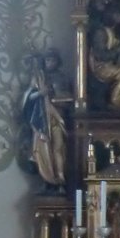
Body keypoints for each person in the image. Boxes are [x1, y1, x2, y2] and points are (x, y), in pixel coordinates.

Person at [19, 49, 70, 189]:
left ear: (57, 62)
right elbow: (28, 97)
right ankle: (47, 178)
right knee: (43, 149)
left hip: (57, 117)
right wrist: (41, 93)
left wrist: (57, 98)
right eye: (47, 60)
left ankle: (61, 177)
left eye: (53, 60)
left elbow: (68, 98)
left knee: (58, 148)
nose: (50, 63)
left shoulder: (62, 78)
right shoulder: (39, 78)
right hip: (41, 118)